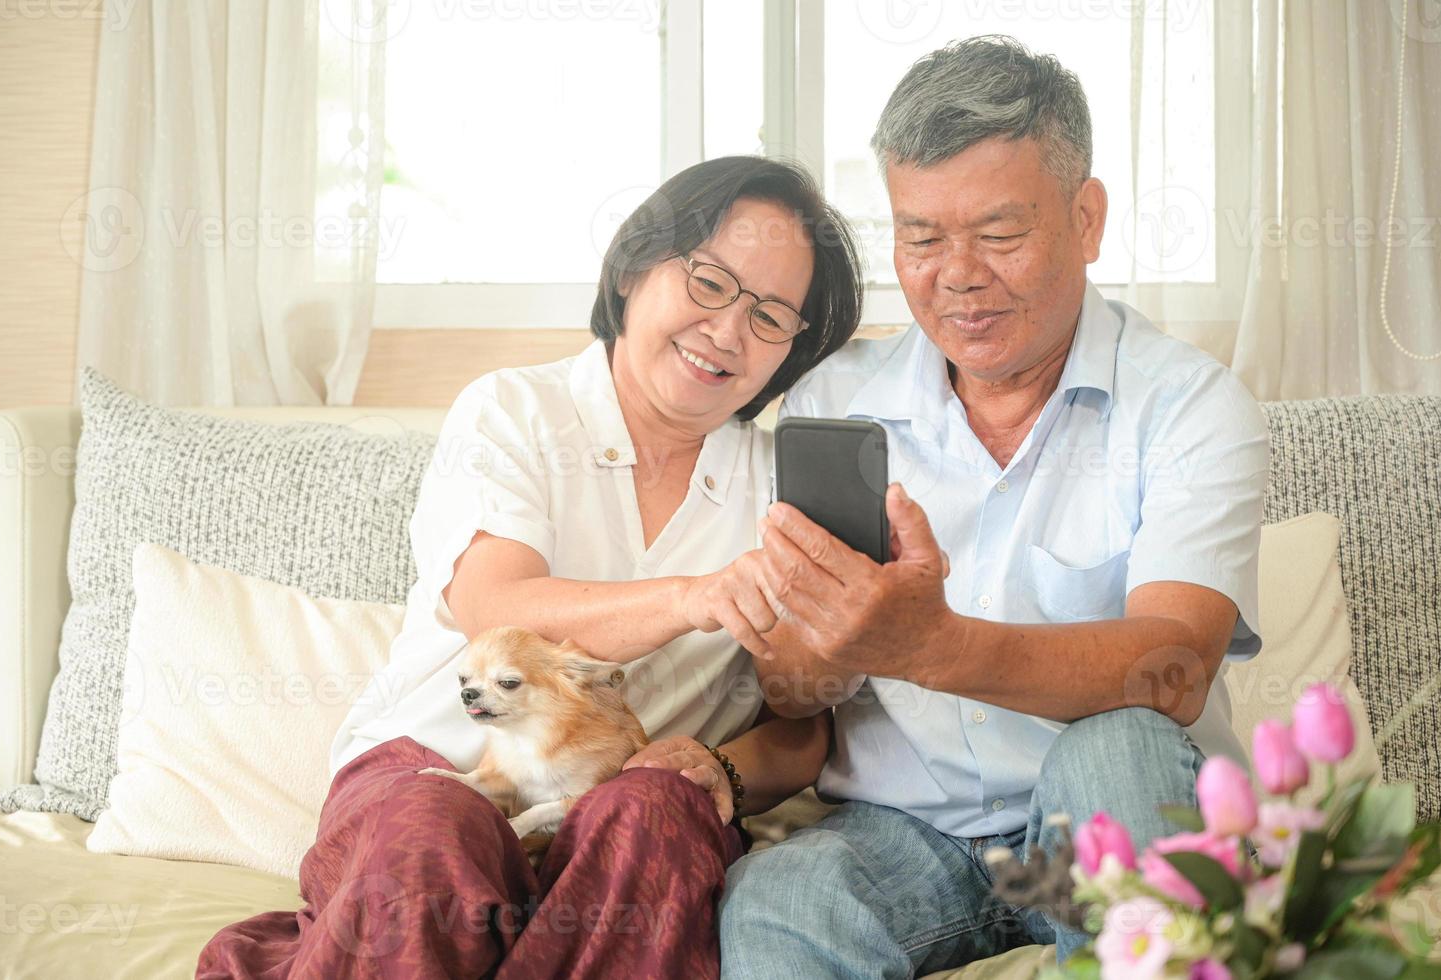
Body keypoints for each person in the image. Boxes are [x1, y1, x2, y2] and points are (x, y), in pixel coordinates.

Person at [196, 155, 862, 979]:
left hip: (616, 814)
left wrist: (721, 767)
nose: (728, 331)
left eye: (770, 316)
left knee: (657, 813)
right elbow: (495, 605)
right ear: (632, 268)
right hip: (435, 774)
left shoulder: (779, 484)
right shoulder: (513, 410)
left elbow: (805, 726)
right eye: (710, 281)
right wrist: (696, 598)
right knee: (439, 825)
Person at [716, 36, 1270, 977]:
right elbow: (795, 693)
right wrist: (816, 644)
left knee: (1120, 747)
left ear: (1086, 219)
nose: (955, 273)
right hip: (905, 835)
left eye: (1000, 234)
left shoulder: (1188, 404)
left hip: (1100, 822)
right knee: (778, 895)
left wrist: (927, 644)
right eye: (920, 237)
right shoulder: (829, 405)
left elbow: (1173, 670)